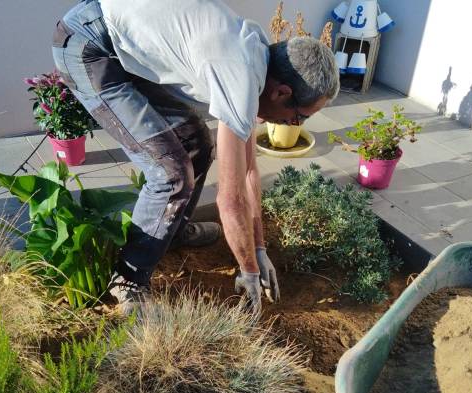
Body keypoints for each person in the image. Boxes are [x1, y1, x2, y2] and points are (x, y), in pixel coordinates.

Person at [53, 0, 339, 315]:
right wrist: (249, 271)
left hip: (121, 42)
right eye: (300, 116)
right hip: (89, 45)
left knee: (197, 144)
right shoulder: (239, 75)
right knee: (170, 173)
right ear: (281, 92)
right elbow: (230, 199)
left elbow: (248, 173)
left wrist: (259, 248)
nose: (294, 125)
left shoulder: (258, 62)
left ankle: (172, 232)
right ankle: (128, 278)